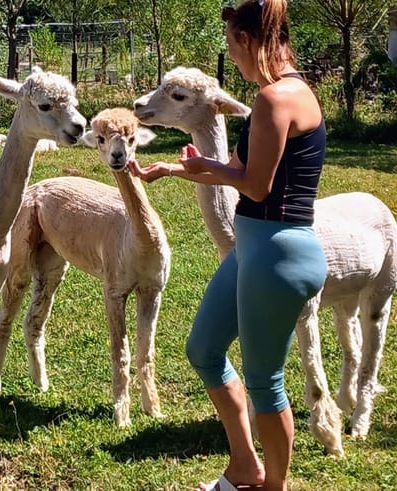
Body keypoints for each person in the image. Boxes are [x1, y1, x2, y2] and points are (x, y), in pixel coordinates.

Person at [130, 1, 327, 490]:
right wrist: (176, 169)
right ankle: (244, 467)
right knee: (204, 348)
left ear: (246, 41)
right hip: (255, 248)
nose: (233, 61)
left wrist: (206, 170)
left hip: (276, 254)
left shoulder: (275, 101)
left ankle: (273, 487)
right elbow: (240, 167)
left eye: (232, 49)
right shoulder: (289, 92)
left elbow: (255, 185)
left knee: (266, 382)